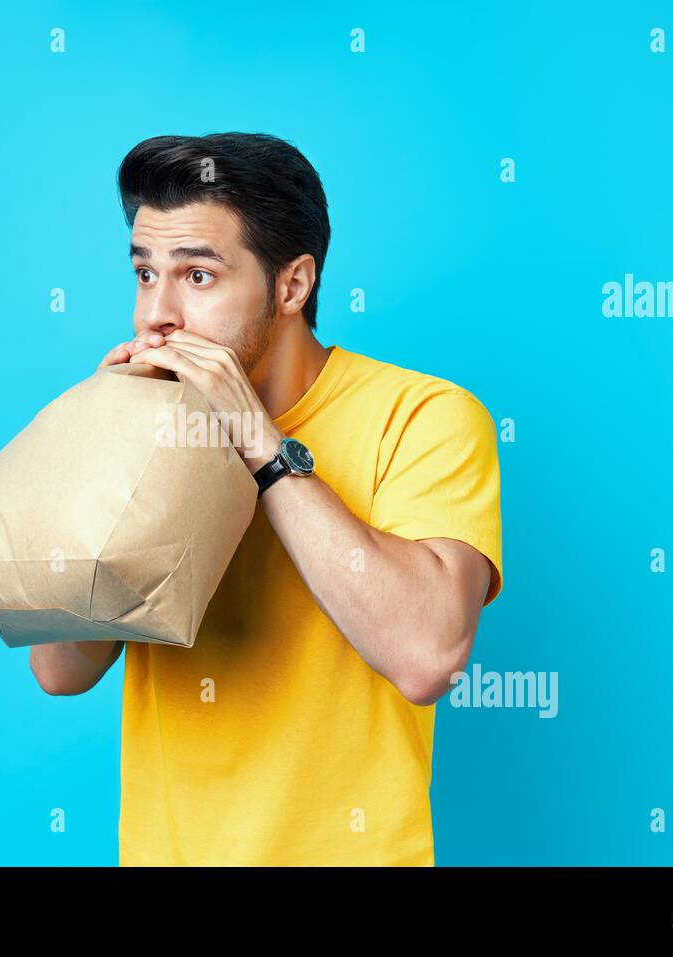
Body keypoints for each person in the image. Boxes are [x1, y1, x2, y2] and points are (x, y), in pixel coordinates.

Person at [29, 132, 503, 866]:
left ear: (292, 285)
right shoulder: (155, 429)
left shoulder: (424, 415)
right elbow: (61, 669)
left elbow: (427, 655)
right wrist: (108, 456)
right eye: (145, 272)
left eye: (198, 276)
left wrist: (257, 440)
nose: (157, 313)